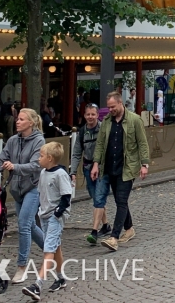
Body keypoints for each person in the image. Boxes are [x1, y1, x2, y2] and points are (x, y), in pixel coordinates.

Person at [0, 108, 45, 283]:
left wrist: (15, 167)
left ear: (31, 123)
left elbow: (36, 166)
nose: (17, 121)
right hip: (16, 190)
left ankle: (22, 266)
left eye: (21, 119)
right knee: (29, 225)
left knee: (23, 224)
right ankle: (51, 250)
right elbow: (1, 160)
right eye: (17, 119)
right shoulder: (13, 140)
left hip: (33, 188)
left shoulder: (39, 141)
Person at [95, 92, 150, 252]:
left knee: (120, 200)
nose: (110, 110)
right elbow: (100, 144)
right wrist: (96, 164)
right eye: (109, 107)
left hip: (128, 167)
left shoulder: (134, 120)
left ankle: (114, 237)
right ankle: (130, 228)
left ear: (120, 104)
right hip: (111, 167)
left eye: (113, 107)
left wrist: (144, 164)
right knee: (121, 201)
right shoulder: (106, 122)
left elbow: (142, 143)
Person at [22, 141, 73, 299]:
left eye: (41, 156)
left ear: (50, 158)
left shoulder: (60, 175)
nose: (39, 158)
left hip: (55, 218)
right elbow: (41, 194)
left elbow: (66, 197)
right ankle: (60, 278)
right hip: (44, 215)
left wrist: (57, 214)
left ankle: (38, 284)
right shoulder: (43, 172)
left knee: (48, 249)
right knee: (55, 247)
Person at [69, 103, 111, 244]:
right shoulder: (82, 132)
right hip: (87, 168)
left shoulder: (104, 129)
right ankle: (105, 225)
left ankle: (94, 231)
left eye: (93, 114)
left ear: (98, 115)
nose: (90, 117)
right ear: (84, 115)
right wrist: (73, 171)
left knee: (99, 198)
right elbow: (76, 153)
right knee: (95, 197)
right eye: (88, 114)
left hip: (103, 168)